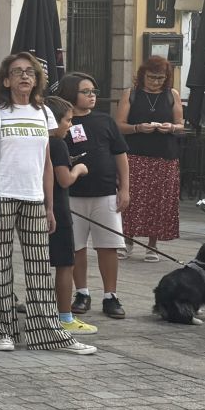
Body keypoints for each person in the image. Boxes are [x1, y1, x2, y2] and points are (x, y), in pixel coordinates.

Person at [0, 52, 95, 355]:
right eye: (17, 72)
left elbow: (46, 162)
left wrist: (49, 205)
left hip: (34, 197)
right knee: (0, 266)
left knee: (38, 267)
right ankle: (1, 329)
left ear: (36, 79)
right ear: (6, 80)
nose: (24, 77)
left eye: (29, 73)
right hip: (0, 197)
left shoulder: (43, 112)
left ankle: (47, 331)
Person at [54, 72, 130, 321]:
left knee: (108, 245)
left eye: (94, 92)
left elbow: (120, 154)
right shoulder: (62, 122)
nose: (92, 96)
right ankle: (82, 292)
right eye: (85, 92)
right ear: (70, 93)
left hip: (105, 192)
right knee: (76, 247)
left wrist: (125, 188)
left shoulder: (105, 121)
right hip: (73, 195)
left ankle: (111, 294)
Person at [117, 55, 184, 257]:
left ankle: (152, 244)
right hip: (135, 155)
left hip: (164, 156)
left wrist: (171, 127)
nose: (155, 82)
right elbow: (118, 125)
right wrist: (137, 128)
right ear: (143, 75)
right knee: (131, 199)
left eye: (160, 78)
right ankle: (127, 240)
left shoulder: (172, 94)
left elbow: (181, 125)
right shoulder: (131, 94)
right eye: (152, 77)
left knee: (159, 200)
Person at [44, 96, 97, 339]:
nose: (70, 124)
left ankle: (45, 310)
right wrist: (79, 169)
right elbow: (64, 179)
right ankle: (64, 316)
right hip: (60, 209)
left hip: (43, 206)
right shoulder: (57, 144)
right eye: (67, 120)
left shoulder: (41, 141)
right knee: (65, 263)